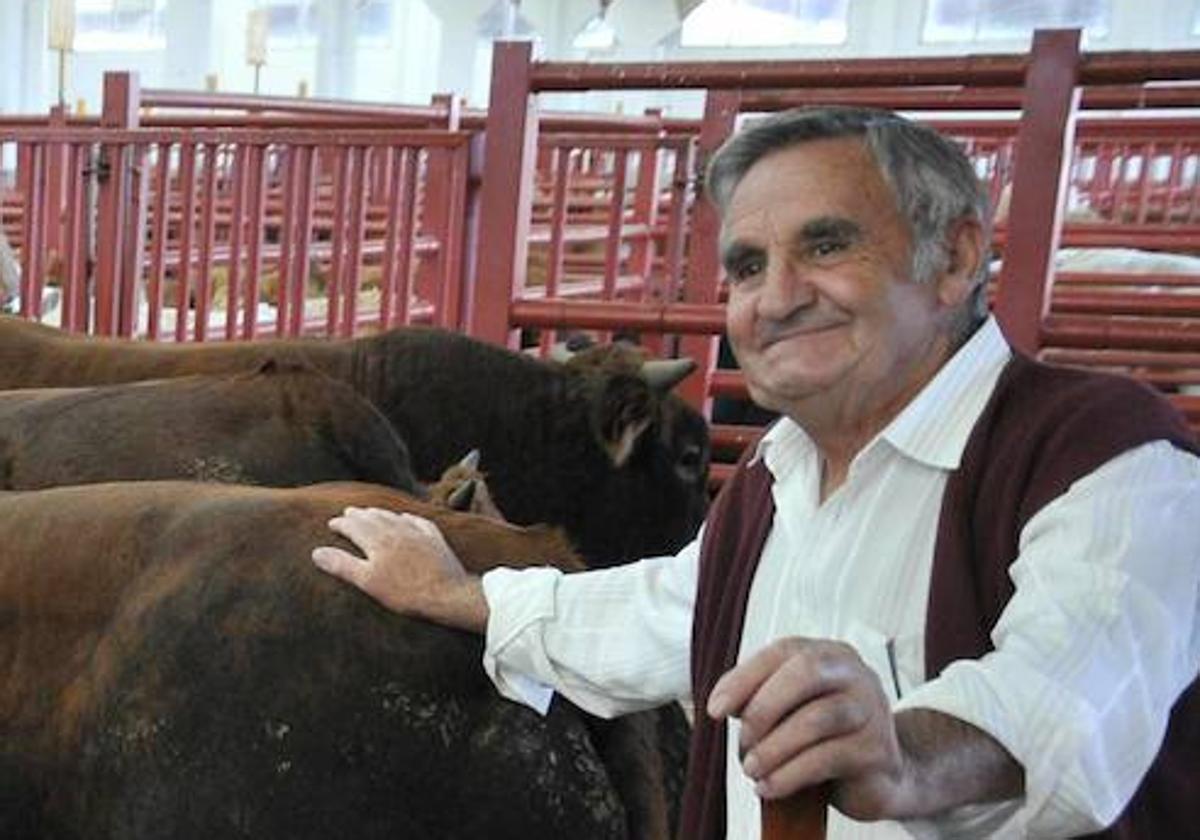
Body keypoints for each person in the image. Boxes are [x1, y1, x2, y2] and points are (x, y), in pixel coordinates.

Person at [311, 107, 1200, 839]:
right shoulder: (776, 482)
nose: (775, 299)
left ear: (956, 259)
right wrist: (459, 592)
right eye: (746, 266)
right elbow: (668, 613)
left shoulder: (1109, 458)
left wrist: (902, 754)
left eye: (825, 247)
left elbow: (1073, 697)